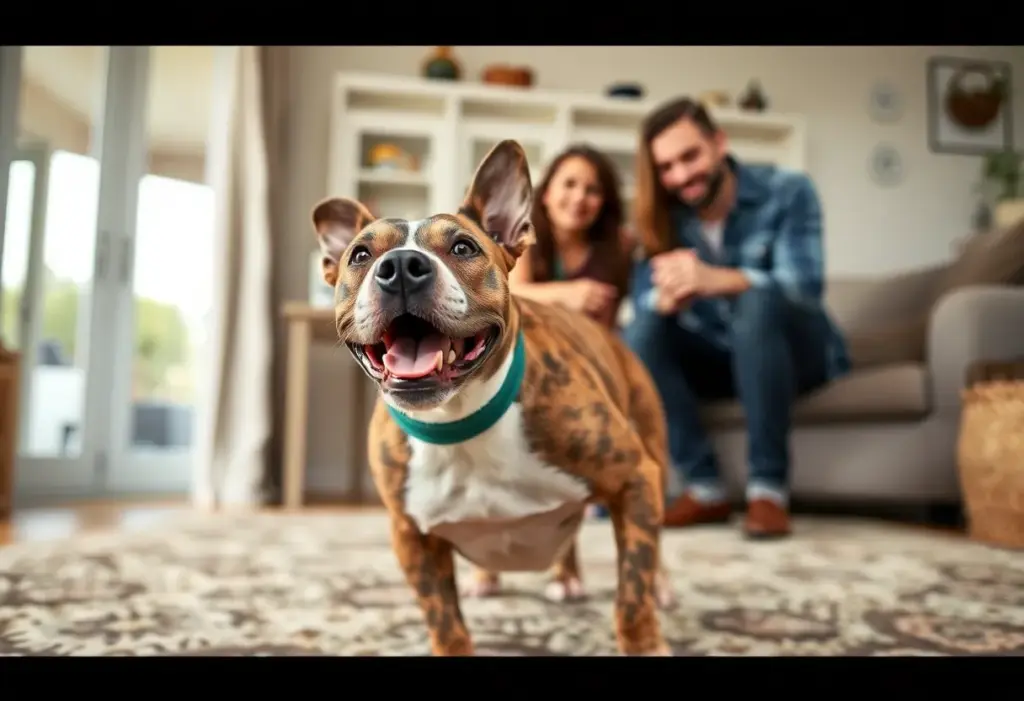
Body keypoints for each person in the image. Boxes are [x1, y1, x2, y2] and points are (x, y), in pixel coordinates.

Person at [623, 96, 851, 540]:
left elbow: (804, 287)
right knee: (642, 330)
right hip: (726, 362)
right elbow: (639, 307)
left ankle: (768, 489)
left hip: (796, 353)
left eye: (690, 156)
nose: (681, 176)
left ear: (719, 143)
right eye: (666, 167)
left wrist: (715, 279)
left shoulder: (788, 190)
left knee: (756, 299)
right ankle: (704, 487)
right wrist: (664, 301)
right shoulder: (665, 220)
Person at [508, 144, 632, 330]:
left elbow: (607, 329)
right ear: (547, 194)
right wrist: (567, 295)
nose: (579, 197)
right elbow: (509, 296)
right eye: (569, 184)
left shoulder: (619, 246)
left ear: (604, 203)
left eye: (593, 190)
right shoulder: (521, 235)